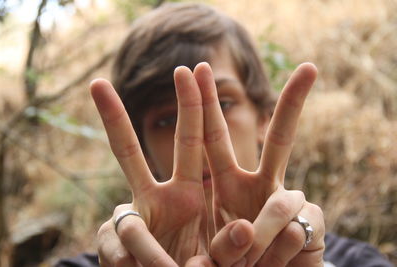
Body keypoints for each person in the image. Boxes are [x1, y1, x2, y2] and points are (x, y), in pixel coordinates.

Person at [56, 3, 393, 267]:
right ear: (140, 147)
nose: (197, 133)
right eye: (164, 120)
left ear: (264, 118)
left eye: (224, 102)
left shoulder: (352, 261)